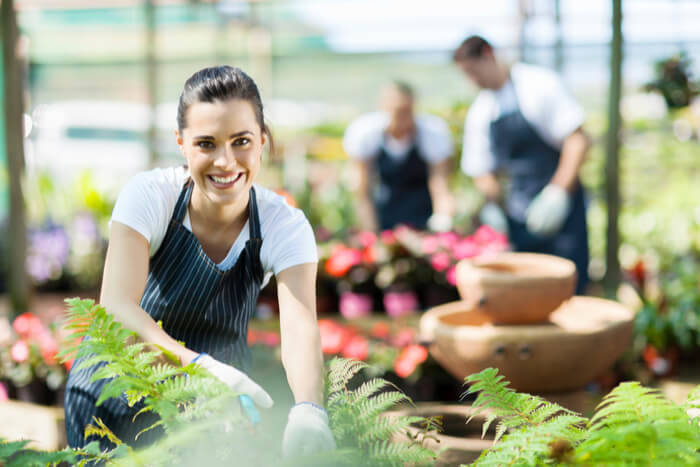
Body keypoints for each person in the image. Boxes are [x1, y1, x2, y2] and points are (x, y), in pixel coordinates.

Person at [63, 66, 335, 457]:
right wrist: (200, 367)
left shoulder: (284, 225)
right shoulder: (151, 197)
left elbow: (300, 327)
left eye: (241, 141)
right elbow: (117, 308)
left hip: (211, 408)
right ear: (181, 144)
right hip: (113, 391)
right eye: (206, 144)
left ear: (262, 140)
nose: (225, 161)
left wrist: (310, 409)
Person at [453, 35, 591, 294]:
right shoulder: (482, 111)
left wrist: (557, 192)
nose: (473, 80)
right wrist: (494, 208)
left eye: (474, 71)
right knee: (527, 292)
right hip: (519, 214)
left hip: (562, 211)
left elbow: (577, 140)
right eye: (466, 75)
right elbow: (481, 170)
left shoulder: (537, 84)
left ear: (488, 54)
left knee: (569, 287)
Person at [342, 81, 454, 232]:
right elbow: (362, 190)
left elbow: (440, 183)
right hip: (384, 212)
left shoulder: (432, 132)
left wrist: (442, 220)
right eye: (397, 111)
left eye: (407, 111)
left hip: (423, 211)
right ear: (383, 107)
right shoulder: (365, 134)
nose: (402, 117)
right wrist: (371, 231)